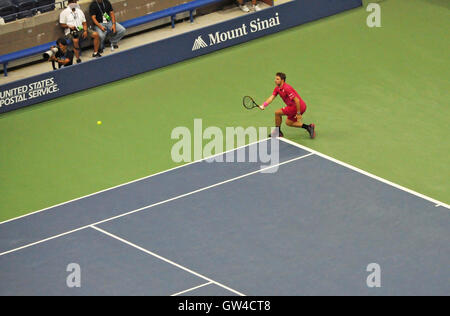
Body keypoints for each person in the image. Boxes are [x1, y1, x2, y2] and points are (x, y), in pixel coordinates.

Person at [260, 72, 316, 138]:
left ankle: (277, 132)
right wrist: (264, 105)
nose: (275, 80)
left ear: (282, 80)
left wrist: (298, 113)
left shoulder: (287, 88)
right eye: (275, 79)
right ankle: (309, 127)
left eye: (277, 79)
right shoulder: (277, 88)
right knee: (289, 122)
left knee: (277, 113)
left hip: (298, 106)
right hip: (296, 106)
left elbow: (297, 100)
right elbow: (271, 98)